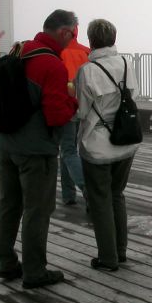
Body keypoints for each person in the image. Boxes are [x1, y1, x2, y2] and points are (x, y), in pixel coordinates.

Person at [0, 9, 78, 289]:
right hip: (35, 149)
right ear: (64, 32)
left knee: (9, 204)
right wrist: (73, 104)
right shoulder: (52, 65)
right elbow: (55, 115)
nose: (73, 39)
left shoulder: (19, 50)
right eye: (73, 33)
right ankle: (34, 270)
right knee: (37, 209)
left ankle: (7, 263)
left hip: (6, 142)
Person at [76, 19, 139, 271]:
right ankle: (120, 251)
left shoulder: (87, 71)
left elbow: (82, 110)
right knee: (116, 194)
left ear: (91, 41)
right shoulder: (126, 64)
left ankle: (107, 257)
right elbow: (132, 97)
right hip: (125, 140)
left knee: (99, 198)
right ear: (114, 38)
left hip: (97, 144)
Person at [59, 23, 90, 206]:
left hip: (67, 106)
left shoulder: (58, 52)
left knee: (68, 149)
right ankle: (68, 195)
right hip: (83, 106)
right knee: (70, 150)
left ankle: (85, 187)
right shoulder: (86, 52)